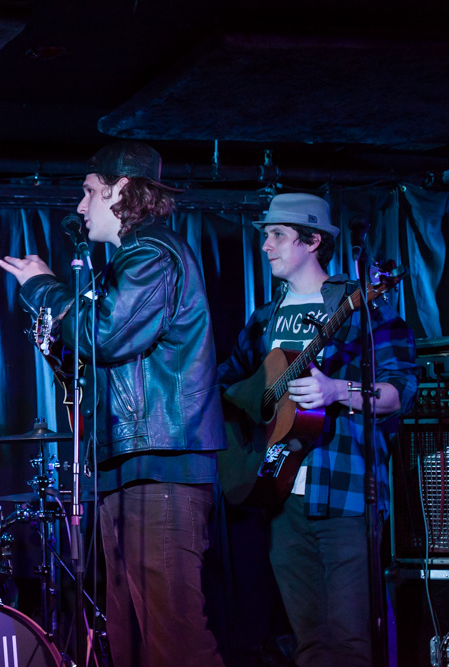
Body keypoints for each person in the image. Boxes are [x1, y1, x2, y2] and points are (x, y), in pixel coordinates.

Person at [0, 141, 226, 667]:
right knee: (131, 640)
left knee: (175, 639)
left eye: (89, 192)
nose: (81, 206)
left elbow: (106, 336)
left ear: (122, 189)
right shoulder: (127, 263)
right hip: (128, 467)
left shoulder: (152, 254)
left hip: (159, 466)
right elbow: (93, 364)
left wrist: (44, 289)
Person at [216, 193, 418, 666]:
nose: (265, 245)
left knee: (350, 638)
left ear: (313, 241)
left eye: (277, 235)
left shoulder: (362, 310)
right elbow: (228, 390)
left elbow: (400, 391)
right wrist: (252, 427)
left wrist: (339, 391)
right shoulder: (264, 319)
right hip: (279, 490)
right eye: (265, 235)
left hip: (345, 493)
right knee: (308, 640)